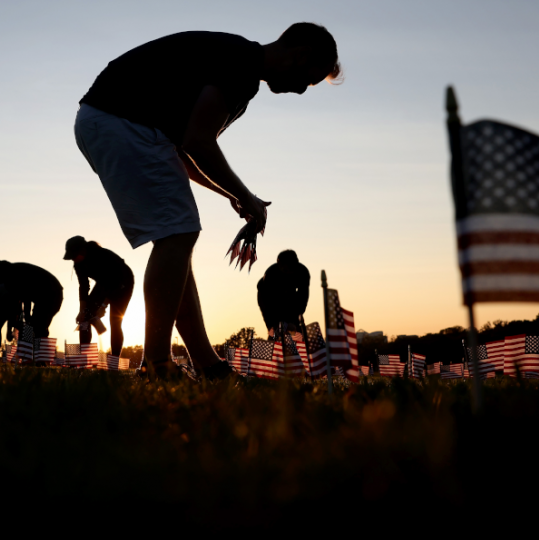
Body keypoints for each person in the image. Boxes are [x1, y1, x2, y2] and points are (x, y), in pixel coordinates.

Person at [74, 23, 340, 379]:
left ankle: (208, 366)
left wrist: (236, 195)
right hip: (121, 120)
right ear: (303, 54)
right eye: (310, 80)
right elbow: (199, 142)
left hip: (113, 121)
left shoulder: (240, 72)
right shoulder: (242, 66)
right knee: (178, 235)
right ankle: (156, 364)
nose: (303, 91)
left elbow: (184, 149)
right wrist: (245, 196)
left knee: (178, 239)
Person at [63, 236, 134, 357]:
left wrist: (103, 306)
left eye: (74, 256)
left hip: (123, 283)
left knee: (115, 322)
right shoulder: (78, 264)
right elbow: (84, 286)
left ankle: (114, 361)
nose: (73, 259)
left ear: (82, 250)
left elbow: (112, 282)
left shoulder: (101, 256)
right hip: (103, 283)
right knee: (85, 316)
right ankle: (83, 357)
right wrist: (82, 311)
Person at [0, 260, 63, 339]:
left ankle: (39, 349)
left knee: (38, 326)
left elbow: (24, 298)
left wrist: (25, 320)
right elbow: (22, 300)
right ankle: (38, 348)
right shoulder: (15, 269)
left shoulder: (12, 275)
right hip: (50, 293)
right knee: (38, 326)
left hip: (50, 295)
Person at [257, 250, 310, 338]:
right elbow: (265, 304)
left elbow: (303, 297)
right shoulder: (271, 274)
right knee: (275, 331)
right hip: (271, 297)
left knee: (297, 332)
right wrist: (270, 325)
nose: (289, 272)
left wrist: (296, 319)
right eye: (286, 270)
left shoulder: (303, 272)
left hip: (291, 296)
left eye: (291, 268)